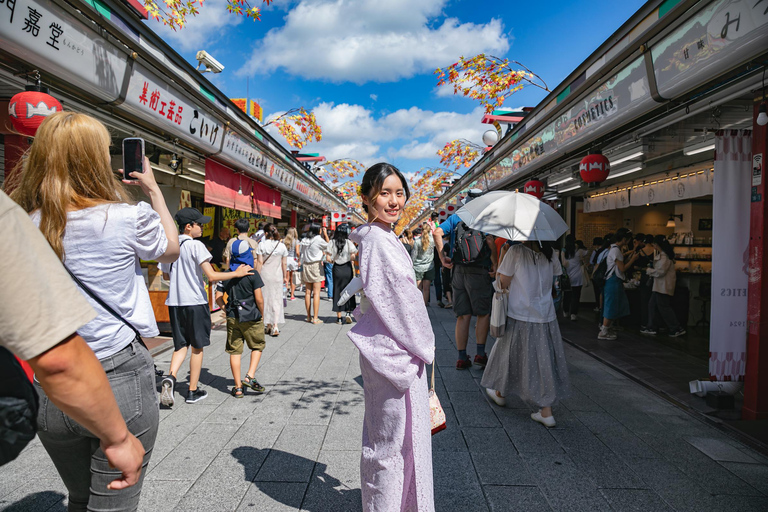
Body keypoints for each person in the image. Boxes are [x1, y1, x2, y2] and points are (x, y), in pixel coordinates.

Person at [8, 111, 181, 509]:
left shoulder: (19, 224)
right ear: (95, 160)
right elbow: (171, 249)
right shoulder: (125, 218)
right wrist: (153, 190)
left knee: (79, 498)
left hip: (50, 388)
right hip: (119, 377)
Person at [1, 188, 146, 498]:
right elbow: (58, 358)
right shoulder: (128, 216)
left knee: (79, 496)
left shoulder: (28, 218)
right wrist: (119, 439)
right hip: (115, 369)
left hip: (46, 395)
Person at [347, 163, 435, 512]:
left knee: (391, 438)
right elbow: (399, 301)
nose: (394, 200)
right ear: (367, 198)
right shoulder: (379, 242)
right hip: (395, 352)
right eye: (385, 193)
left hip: (389, 349)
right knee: (390, 444)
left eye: (399, 192)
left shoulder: (382, 238)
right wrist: (425, 345)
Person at [159, 208, 252, 406]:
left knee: (180, 345)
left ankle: (171, 378)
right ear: (188, 227)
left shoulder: (171, 246)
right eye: (199, 224)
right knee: (197, 347)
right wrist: (237, 273)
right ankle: (192, 391)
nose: (202, 227)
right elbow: (212, 276)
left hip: (175, 302)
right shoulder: (196, 246)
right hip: (194, 301)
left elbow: (166, 276)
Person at [482, 241, 571, 427]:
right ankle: (541, 408)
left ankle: (505, 393)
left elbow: (502, 282)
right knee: (543, 359)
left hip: (519, 313)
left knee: (509, 354)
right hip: (546, 315)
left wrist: (501, 262)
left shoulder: (516, 251)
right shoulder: (550, 253)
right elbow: (555, 277)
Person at [433, 189, 497, 370]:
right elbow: (491, 243)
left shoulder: (457, 217)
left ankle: (461, 357)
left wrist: (441, 257)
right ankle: (480, 354)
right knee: (483, 313)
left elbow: (437, 232)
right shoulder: (486, 219)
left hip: (458, 271)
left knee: (462, 315)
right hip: (479, 270)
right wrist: (494, 263)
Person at [215, 241, 267, 398]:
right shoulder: (253, 274)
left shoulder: (226, 274)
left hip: (233, 317)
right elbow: (259, 299)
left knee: (235, 351)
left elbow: (218, 297)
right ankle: (249, 376)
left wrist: (225, 308)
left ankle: (238, 388)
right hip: (252, 316)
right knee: (257, 346)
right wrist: (262, 313)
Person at [599, 228, 640, 340]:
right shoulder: (616, 251)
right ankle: (604, 330)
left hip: (612, 281)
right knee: (611, 305)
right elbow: (622, 268)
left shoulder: (614, 249)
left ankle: (607, 328)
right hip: (613, 281)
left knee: (613, 305)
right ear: (624, 239)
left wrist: (630, 255)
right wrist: (633, 259)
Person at [643, 235, 686, 337]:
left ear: (658, 245)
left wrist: (648, 271)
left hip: (662, 286)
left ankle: (675, 328)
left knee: (663, 307)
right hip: (660, 286)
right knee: (652, 305)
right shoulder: (665, 255)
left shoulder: (664, 257)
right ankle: (652, 326)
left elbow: (660, 272)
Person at [257, 223, 289, 337]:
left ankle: (268, 324)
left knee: (265, 299)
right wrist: (285, 277)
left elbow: (260, 262)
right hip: (277, 276)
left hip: (265, 276)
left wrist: (256, 275)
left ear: (265, 233)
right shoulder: (281, 246)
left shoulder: (262, 245)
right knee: (276, 299)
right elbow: (284, 263)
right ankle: (275, 325)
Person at [328, 223, 358, 324]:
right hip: (347, 268)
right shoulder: (348, 242)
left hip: (337, 269)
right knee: (349, 290)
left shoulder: (332, 242)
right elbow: (354, 255)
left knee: (337, 290)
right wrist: (349, 258)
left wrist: (333, 260)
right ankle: (348, 313)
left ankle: (339, 317)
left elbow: (328, 258)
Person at [300, 223, 330, 323]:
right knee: (316, 293)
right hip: (316, 266)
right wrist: (325, 235)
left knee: (308, 292)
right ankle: (315, 318)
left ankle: (308, 316)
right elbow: (329, 247)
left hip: (306, 265)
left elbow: (301, 253)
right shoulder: (318, 239)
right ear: (318, 230)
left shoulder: (304, 240)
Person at [561, 235, 588, 321]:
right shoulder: (579, 251)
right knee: (576, 296)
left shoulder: (564, 251)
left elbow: (564, 263)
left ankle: (565, 311)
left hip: (567, 277)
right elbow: (587, 252)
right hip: (577, 277)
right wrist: (579, 246)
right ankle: (573, 314)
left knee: (567, 295)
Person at [410, 223, 435, 306]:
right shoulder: (432, 242)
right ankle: (424, 305)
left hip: (418, 267)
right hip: (429, 267)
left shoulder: (417, 241)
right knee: (426, 289)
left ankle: (418, 305)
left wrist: (411, 264)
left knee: (418, 288)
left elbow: (414, 255)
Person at [636, 234, 656, 330]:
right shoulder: (656, 251)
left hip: (644, 277)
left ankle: (644, 322)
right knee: (653, 301)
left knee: (644, 300)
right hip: (654, 277)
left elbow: (635, 266)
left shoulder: (640, 252)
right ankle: (653, 322)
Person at [430, 212, 444, 307]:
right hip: (441, 249)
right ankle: (442, 297)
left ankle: (439, 298)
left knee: (436, 276)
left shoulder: (429, 225)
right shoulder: (441, 225)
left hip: (433, 251)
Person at [284, 227, 301, 300]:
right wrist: (299, 259)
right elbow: (297, 252)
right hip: (293, 259)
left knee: (286, 278)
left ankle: (284, 294)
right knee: (293, 278)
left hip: (286, 259)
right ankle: (292, 295)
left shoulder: (284, 241)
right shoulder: (296, 241)